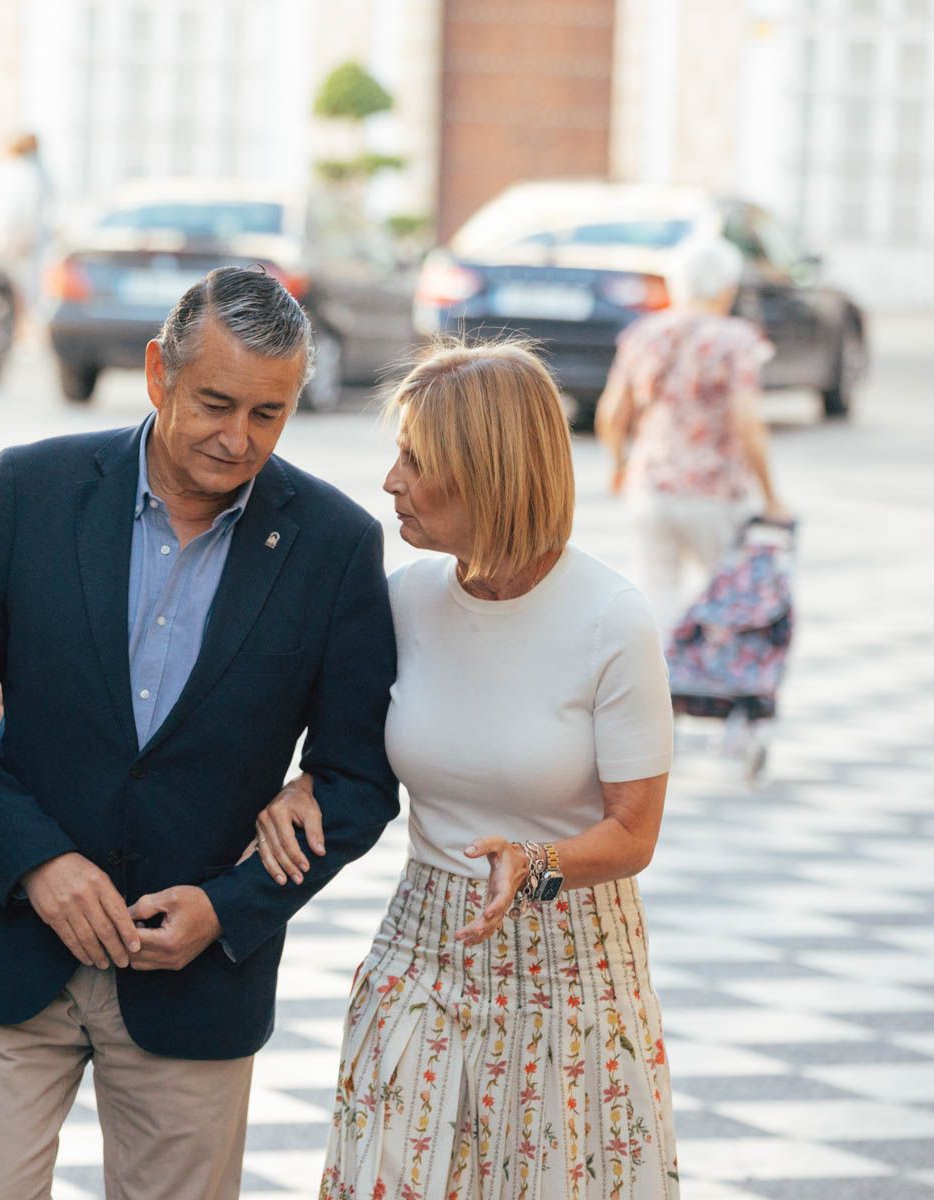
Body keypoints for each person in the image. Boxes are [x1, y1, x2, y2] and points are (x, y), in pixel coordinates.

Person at [0, 266, 401, 1199]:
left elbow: (358, 781)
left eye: (268, 414)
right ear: (157, 371)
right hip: (7, 953)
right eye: (215, 402)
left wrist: (233, 906)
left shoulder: (334, 545)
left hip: (196, 986)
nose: (236, 438)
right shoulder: (30, 488)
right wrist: (40, 862)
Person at [255, 343, 678, 1198]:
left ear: (487, 472)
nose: (390, 481)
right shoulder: (405, 599)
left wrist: (536, 866)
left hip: (572, 967)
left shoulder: (612, 621)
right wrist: (301, 784)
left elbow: (634, 834)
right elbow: (351, 744)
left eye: (416, 459)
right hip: (423, 946)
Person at [595, 234, 789, 637]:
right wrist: (770, 494)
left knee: (655, 595)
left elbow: (612, 414)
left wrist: (619, 464)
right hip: (714, 491)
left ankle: (658, 689)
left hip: (650, 485)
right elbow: (748, 423)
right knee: (724, 598)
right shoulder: (736, 340)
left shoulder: (644, 335)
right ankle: (710, 689)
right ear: (727, 287)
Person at [0, 131, 52, 322]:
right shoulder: (27, 173)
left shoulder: (9, 172)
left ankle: (16, 327)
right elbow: (21, 213)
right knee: (19, 290)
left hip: (8, 241)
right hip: (16, 242)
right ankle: (17, 327)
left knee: (13, 291)